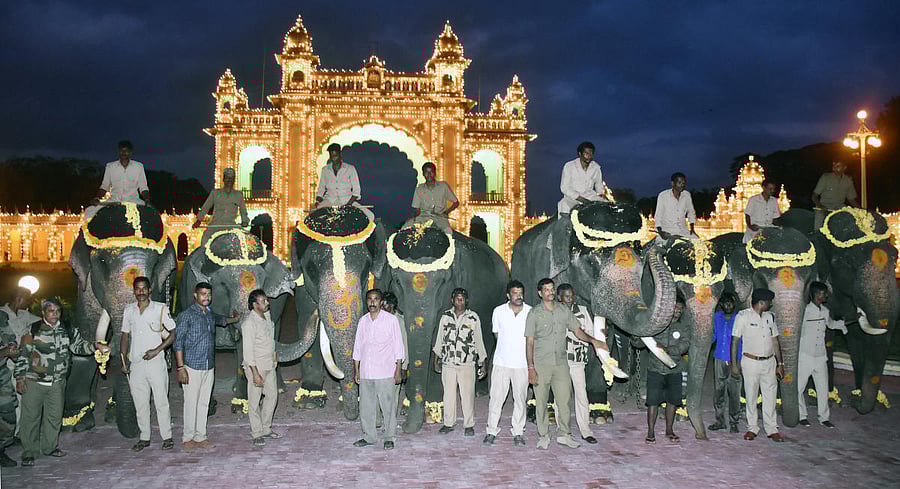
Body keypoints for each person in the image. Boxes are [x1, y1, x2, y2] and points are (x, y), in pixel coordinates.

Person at [526, 278, 607, 450]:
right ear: (540, 293)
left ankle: (564, 435)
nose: (550, 292)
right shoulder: (534, 313)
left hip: (562, 363)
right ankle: (543, 435)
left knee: (564, 401)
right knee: (541, 402)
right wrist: (531, 368)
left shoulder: (563, 310)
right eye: (546, 290)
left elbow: (578, 331)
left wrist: (594, 341)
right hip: (542, 364)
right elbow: (530, 342)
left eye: (551, 289)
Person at [14, 298, 94, 467]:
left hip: (57, 383)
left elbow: (79, 346)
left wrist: (96, 347)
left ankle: (50, 448)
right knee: (30, 418)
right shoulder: (33, 329)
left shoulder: (68, 329)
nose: (55, 314)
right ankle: (29, 451)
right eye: (51, 311)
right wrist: (20, 379)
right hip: (34, 381)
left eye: (57, 311)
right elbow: (23, 355)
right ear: (43, 312)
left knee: (54, 417)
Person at [173, 282, 239, 451]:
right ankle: (188, 437)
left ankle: (200, 436)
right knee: (191, 403)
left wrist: (235, 319)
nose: (206, 297)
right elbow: (178, 343)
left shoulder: (209, 313)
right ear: (195, 295)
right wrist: (181, 368)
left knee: (203, 403)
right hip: (192, 366)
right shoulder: (186, 315)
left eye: (208, 294)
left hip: (208, 365)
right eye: (202, 294)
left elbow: (222, 320)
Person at [119, 276, 176, 452]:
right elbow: (125, 335)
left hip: (156, 362)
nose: (141, 292)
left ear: (150, 290)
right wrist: (123, 359)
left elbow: (173, 333)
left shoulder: (160, 309)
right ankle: (144, 437)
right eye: (138, 289)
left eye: (144, 288)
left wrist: (157, 350)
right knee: (140, 402)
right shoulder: (129, 310)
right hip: (136, 363)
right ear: (134, 291)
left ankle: (167, 437)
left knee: (161, 401)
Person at [352, 289, 405, 450]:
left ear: (381, 302)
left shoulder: (391, 320)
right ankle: (369, 436)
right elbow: (357, 347)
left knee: (388, 407)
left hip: (385, 371)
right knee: (366, 407)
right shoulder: (363, 321)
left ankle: (389, 437)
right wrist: (357, 370)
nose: (372, 302)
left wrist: (398, 371)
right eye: (369, 299)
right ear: (366, 301)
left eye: (375, 299)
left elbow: (398, 347)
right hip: (367, 371)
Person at [732, 288, 785, 442]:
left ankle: (772, 429)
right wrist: (734, 364)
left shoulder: (770, 317)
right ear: (762, 302)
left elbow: (775, 341)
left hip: (769, 362)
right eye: (769, 302)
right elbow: (735, 341)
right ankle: (752, 428)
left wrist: (780, 363)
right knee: (751, 396)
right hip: (750, 362)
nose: (771, 304)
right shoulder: (743, 317)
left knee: (770, 396)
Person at [637, 293, 691, 444]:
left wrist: (668, 349)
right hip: (655, 369)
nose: (677, 311)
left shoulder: (683, 327)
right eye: (675, 308)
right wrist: (636, 336)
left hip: (674, 370)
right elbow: (640, 343)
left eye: (680, 309)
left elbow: (685, 345)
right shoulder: (657, 324)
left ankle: (669, 430)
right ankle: (651, 431)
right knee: (653, 402)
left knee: (672, 401)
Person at [433, 288, 487, 437]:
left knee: (467, 395)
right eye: (457, 298)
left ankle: (468, 424)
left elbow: (479, 340)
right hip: (448, 362)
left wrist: (483, 361)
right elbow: (439, 338)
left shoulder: (473, 318)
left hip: (467, 363)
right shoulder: (445, 316)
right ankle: (448, 423)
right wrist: (436, 358)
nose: (459, 301)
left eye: (462, 298)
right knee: (448, 395)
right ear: (452, 300)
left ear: (467, 300)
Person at [484, 280, 531, 447]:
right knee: (496, 398)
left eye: (520, 293)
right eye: (515, 293)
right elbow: (497, 335)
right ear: (508, 295)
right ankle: (491, 431)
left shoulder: (530, 312)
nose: (518, 296)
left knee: (520, 399)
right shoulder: (499, 311)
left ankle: (518, 432)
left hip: (522, 364)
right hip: (501, 362)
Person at [798, 282, 846, 428]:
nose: (825, 296)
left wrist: (847, 322)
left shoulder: (825, 311)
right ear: (814, 294)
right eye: (823, 293)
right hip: (805, 355)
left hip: (820, 356)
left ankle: (824, 417)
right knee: (799, 388)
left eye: (825, 293)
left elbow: (831, 324)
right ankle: (802, 416)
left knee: (823, 388)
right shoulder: (804, 311)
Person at [556, 283, 597, 444]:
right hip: (559, 361)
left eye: (572, 295)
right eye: (567, 296)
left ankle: (586, 430)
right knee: (561, 397)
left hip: (578, 361)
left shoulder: (582, 311)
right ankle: (563, 430)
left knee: (581, 395)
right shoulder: (553, 312)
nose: (570, 299)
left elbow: (590, 333)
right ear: (559, 297)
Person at [241, 289, 281, 446]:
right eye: (263, 301)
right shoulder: (249, 324)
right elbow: (248, 351)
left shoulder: (267, 317)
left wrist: (274, 355)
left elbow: (270, 339)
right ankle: (256, 432)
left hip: (269, 364)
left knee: (272, 396)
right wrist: (255, 373)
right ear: (254, 304)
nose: (267, 303)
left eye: (266, 300)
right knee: (254, 400)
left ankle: (266, 428)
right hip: (256, 367)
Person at [1, 286, 38, 440]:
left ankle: (17, 434)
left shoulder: (24, 314)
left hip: (21, 363)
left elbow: (41, 320)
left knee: (22, 400)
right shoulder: (2, 315)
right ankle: (10, 435)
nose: (28, 302)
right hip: (6, 365)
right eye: (27, 298)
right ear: (19, 298)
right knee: (11, 403)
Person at [87, 140, 150, 220]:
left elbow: (143, 187)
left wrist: (147, 200)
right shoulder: (110, 166)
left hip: (133, 201)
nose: (123, 153)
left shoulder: (138, 167)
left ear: (130, 152)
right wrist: (97, 198)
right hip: (114, 201)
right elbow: (105, 186)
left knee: (150, 213)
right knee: (89, 211)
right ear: (118, 151)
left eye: (126, 151)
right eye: (121, 150)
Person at [708, 293, 743, 433]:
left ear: (734, 304)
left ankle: (734, 421)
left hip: (735, 359)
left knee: (734, 391)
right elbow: (714, 336)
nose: (728, 306)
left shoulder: (739, 318)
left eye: (730, 303)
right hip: (719, 358)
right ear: (721, 305)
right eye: (725, 303)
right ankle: (720, 420)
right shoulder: (717, 317)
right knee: (719, 391)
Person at [192, 167, 250, 245]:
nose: (229, 180)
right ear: (223, 179)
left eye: (231, 178)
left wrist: (245, 221)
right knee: (205, 240)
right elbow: (206, 207)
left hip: (231, 225)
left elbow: (243, 210)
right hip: (216, 225)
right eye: (227, 178)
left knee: (244, 240)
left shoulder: (238, 195)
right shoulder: (215, 193)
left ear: (234, 180)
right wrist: (199, 220)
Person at [314, 143, 373, 219]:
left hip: (347, 200)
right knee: (313, 216)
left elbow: (356, 190)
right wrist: (318, 202)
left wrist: (348, 205)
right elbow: (321, 189)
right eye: (331, 156)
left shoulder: (350, 169)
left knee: (370, 216)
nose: (333, 159)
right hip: (329, 200)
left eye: (335, 156)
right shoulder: (325, 170)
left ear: (340, 154)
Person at [557, 141, 607, 216]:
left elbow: (598, 184)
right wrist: (581, 199)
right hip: (572, 199)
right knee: (564, 207)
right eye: (586, 154)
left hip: (589, 196)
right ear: (580, 154)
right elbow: (564, 188)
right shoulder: (569, 166)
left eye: (591, 154)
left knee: (606, 206)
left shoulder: (596, 167)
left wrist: (601, 194)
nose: (589, 156)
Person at [406, 162, 459, 233]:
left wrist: (446, 212)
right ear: (423, 174)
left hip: (440, 218)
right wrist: (413, 219)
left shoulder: (443, 186)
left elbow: (456, 202)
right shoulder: (419, 189)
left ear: (435, 173)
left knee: (449, 232)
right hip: (424, 217)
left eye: (431, 172)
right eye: (426, 172)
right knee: (405, 227)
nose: (429, 174)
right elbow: (417, 210)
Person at [0, 308, 21, 467]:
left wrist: (12, 348)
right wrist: (3, 352)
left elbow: (10, 337)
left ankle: (3, 445)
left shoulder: (1, 316)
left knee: (9, 415)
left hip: (2, 377)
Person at [812, 160, 860, 229]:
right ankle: (816, 236)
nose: (834, 168)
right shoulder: (825, 177)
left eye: (837, 166)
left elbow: (851, 199)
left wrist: (861, 210)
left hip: (839, 207)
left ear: (844, 168)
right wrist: (820, 206)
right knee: (819, 217)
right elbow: (814, 195)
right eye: (833, 166)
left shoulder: (848, 180)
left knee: (851, 218)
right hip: (825, 206)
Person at [382, 292, 408, 415]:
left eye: (384, 304)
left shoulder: (399, 321)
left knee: (393, 395)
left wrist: (403, 367)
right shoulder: (378, 319)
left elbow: (404, 346)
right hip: (381, 364)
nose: (381, 307)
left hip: (394, 365)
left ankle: (390, 420)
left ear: (392, 305)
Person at [655, 172, 697, 242]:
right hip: (668, 232)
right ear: (672, 183)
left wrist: (692, 229)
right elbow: (658, 215)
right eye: (679, 183)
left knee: (699, 244)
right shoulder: (663, 196)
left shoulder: (687, 195)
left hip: (684, 231)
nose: (682, 185)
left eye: (683, 183)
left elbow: (691, 212)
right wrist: (661, 232)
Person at [743, 179, 782, 243]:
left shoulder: (774, 201)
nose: (772, 191)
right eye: (770, 189)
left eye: (773, 189)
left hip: (769, 227)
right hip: (756, 228)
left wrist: (781, 226)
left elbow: (776, 218)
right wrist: (750, 226)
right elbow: (747, 215)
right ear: (764, 188)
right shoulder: (753, 200)